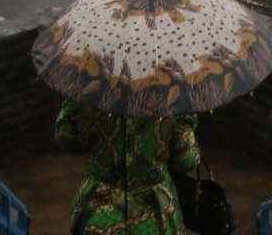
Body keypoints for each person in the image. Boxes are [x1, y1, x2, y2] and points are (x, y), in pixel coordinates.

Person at [54, 100, 200, 235]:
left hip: (99, 212)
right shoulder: (171, 98)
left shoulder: (90, 91)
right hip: (154, 214)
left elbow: (66, 139)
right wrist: (186, 123)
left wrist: (74, 106)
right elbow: (186, 161)